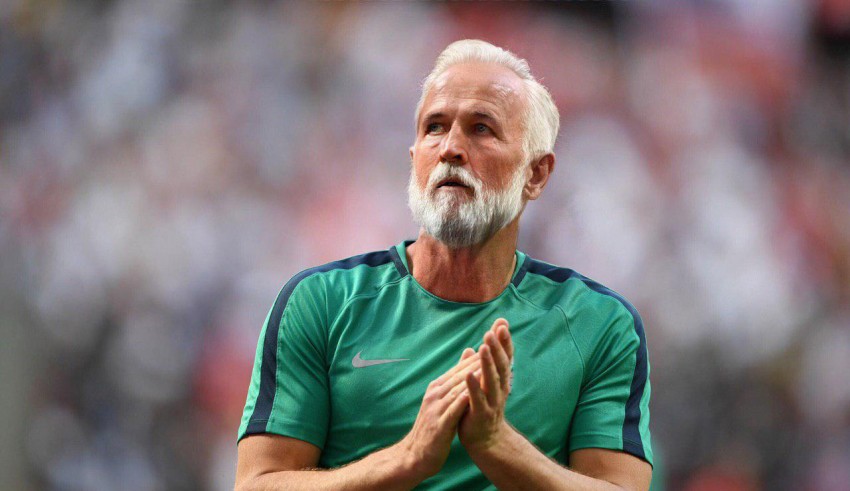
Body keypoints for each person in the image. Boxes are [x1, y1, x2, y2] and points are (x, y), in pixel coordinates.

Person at [235, 39, 652, 490]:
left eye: (481, 129)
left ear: (536, 174)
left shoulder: (598, 324)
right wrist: (408, 458)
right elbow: (258, 483)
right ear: (414, 157)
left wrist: (499, 447)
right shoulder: (321, 303)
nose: (451, 147)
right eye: (435, 127)